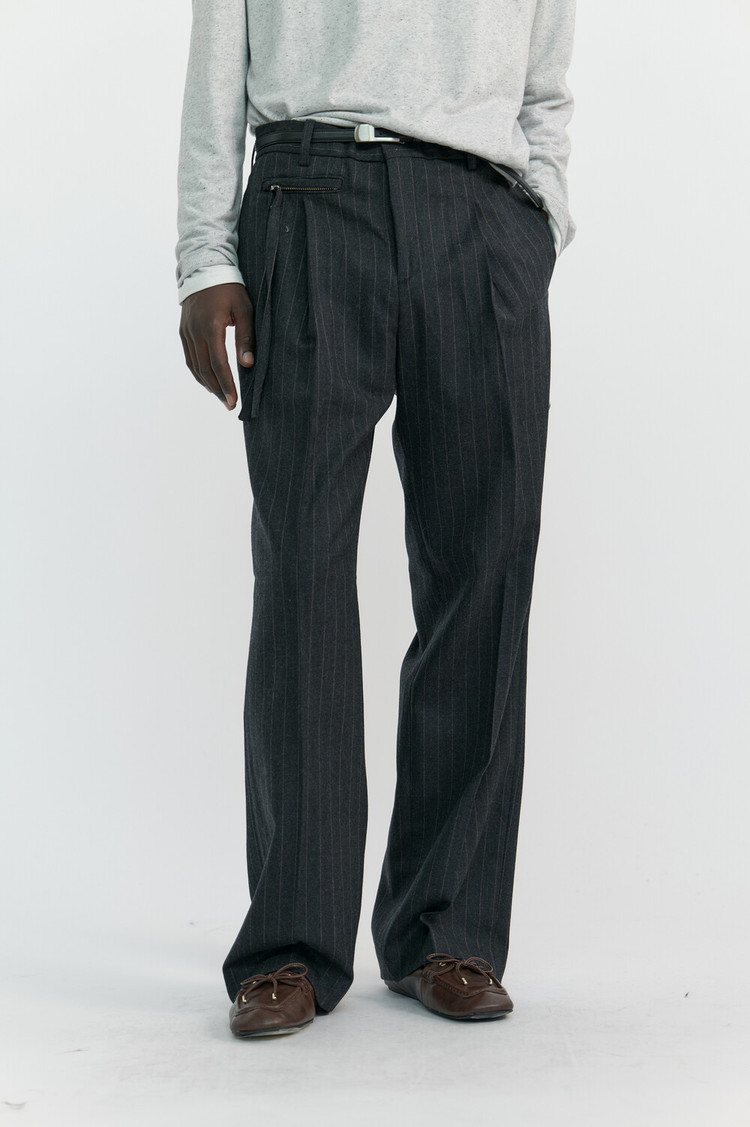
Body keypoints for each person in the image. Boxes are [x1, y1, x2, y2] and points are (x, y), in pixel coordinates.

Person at [176, 0, 577, 1038]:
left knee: (483, 572)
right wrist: (206, 258)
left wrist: (537, 221)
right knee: (302, 570)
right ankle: (290, 943)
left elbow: (545, 84)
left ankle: (448, 925)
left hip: (481, 209)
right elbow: (220, 50)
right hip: (309, 194)